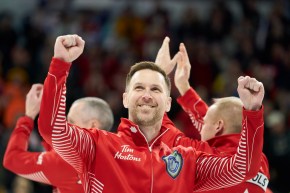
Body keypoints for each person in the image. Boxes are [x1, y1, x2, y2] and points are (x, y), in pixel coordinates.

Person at [38, 34, 265, 193]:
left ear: (167, 103)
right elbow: (53, 130)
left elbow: (242, 169)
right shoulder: (97, 145)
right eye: (139, 88)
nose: (146, 95)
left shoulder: (186, 158)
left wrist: (252, 111)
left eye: (155, 89)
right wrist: (60, 65)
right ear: (125, 98)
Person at [155, 37, 271, 193]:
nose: (201, 128)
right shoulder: (261, 161)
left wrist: (157, 76)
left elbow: (159, 129)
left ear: (218, 126)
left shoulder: (205, 155)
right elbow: (213, 121)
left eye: (205, 123)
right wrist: (184, 86)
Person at [3, 84, 114, 193]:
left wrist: (28, 117)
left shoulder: (67, 161)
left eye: (71, 122)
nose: (65, 127)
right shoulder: (122, 157)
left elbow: (12, 159)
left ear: (93, 126)